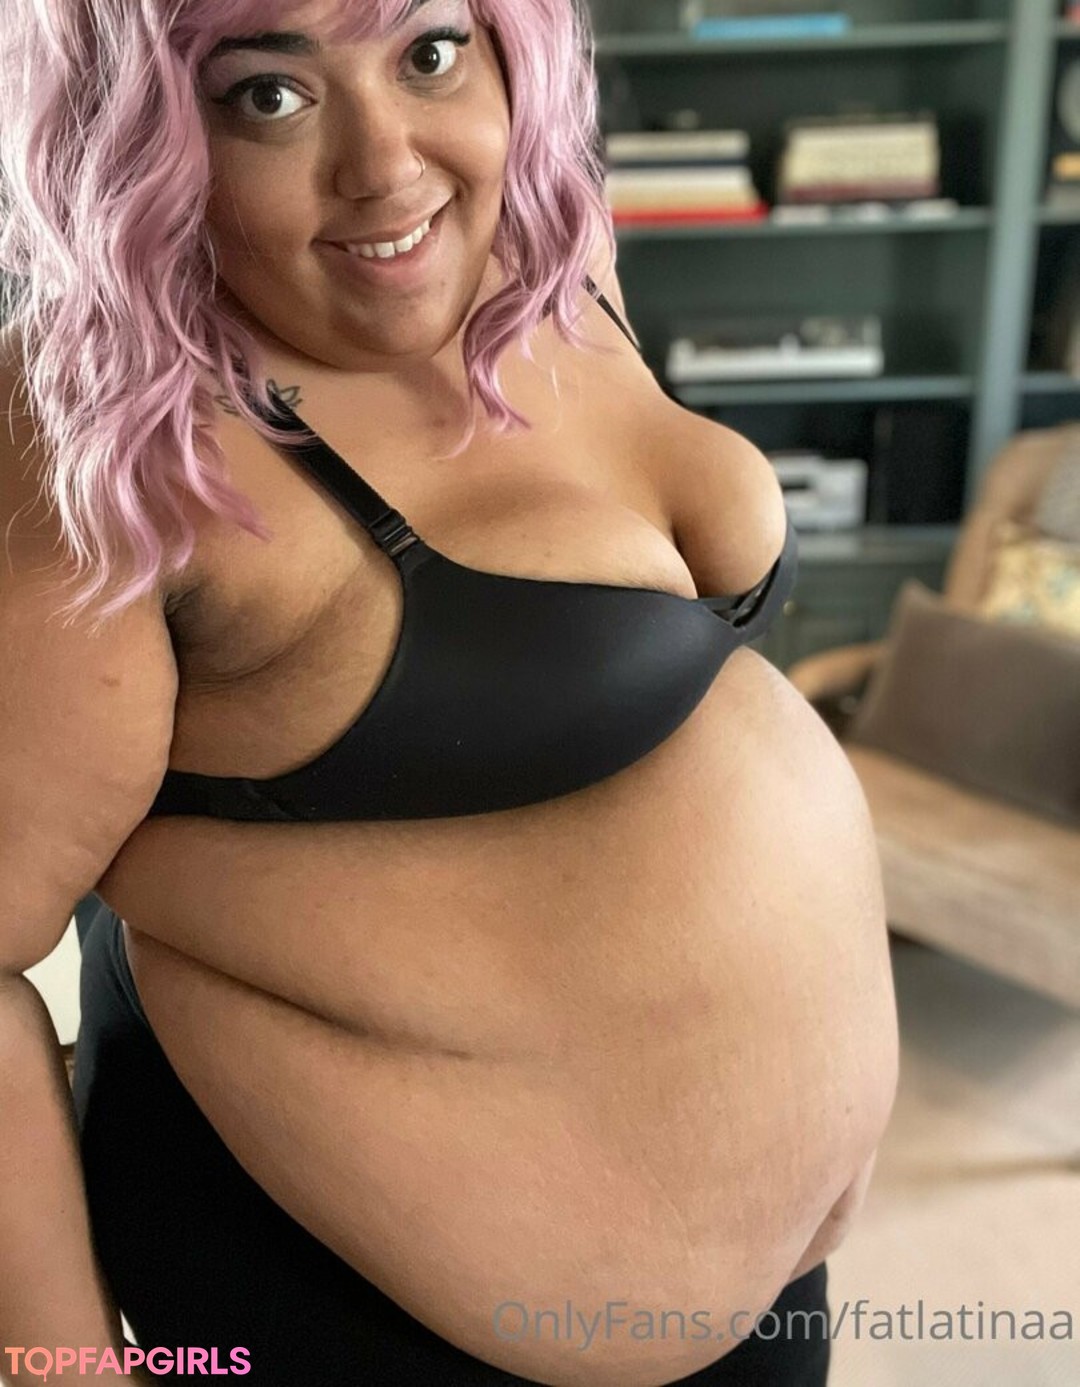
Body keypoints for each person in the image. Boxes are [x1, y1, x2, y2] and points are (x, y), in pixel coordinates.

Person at [0, 0, 900, 1382]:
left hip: (765, 1308)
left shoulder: (552, 254)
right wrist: (58, 1371)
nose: (389, 168)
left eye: (429, 53)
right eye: (268, 96)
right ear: (136, 130)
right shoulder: (97, 430)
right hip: (352, 1311)